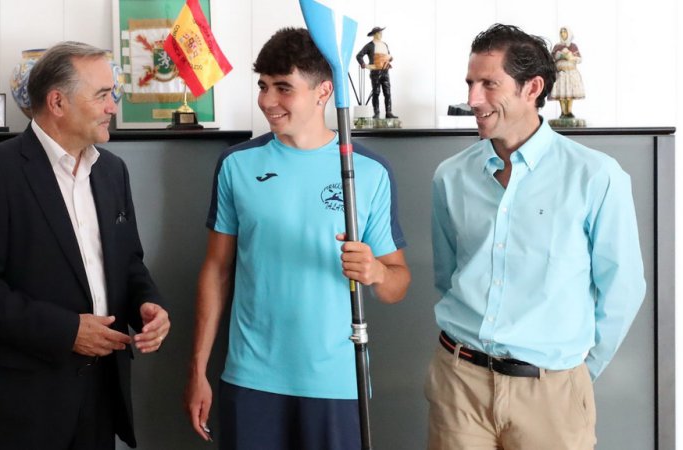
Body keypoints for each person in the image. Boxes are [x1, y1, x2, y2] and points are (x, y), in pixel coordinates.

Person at [184, 27, 411, 450]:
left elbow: (397, 285)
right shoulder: (236, 164)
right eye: (263, 86)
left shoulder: (369, 171)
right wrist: (198, 369)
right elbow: (216, 270)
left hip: (337, 383)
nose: (267, 100)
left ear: (324, 91)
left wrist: (377, 272)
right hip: (251, 378)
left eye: (283, 88)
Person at [427, 24, 645, 449]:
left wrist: (575, 374)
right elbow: (447, 274)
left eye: (489, 84)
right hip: (459, 384)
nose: (473, 99)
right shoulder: (449, 176)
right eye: (470, 83)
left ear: (533, 88)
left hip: (553, 394)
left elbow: (623, 288)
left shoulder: (595, 176)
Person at [0, 41, 170, 450]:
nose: (112, 107)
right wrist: (67, 331)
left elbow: (129, 263)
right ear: (57, 102)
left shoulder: (113, 171)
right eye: (102, 95)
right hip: (20, 406)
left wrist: (148, 303)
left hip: (101, 397)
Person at [356, 26, 397, 119]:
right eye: (379, 32)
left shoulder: (385, 44)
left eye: (381, 32)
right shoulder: (369, 45)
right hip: (375, 73)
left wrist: (390, 58)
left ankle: (388, 112)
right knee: (376, 92)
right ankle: (376, 112)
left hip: (385, 71)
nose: (381, 34)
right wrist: (363, 64)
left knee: (387, 92)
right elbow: (359, 55)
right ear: (374, 34)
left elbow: (388, 56)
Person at [549, 26, 585, 118]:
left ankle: (569, 111)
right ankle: (563, 111)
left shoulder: (573, 46)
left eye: (564, 32)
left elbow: (579, 58)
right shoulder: (557, 46)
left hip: (570, 72)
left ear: (568, 33)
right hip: (560, 72)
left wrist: (571, 57)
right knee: (561, 91)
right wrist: (559, 56)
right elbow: (551, 58)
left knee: (569, 91)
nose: (563, 34)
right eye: (561, 32)